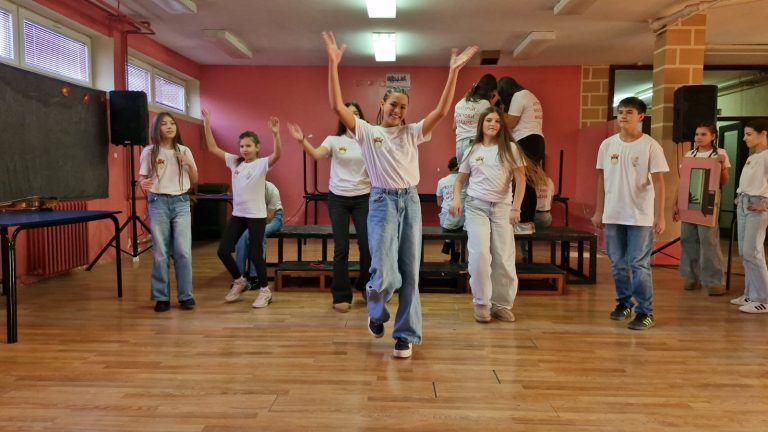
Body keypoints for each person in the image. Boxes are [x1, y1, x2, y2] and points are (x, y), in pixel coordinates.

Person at [323, 31, 478, 358]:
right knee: (385, 273)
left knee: (409, 273)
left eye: (403, 106)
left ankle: (405, 335)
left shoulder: (412, 133)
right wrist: (333, 64)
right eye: (393, 104)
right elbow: (336, 105)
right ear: (382, 104)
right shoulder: (367, 132)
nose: (398, 110)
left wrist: (453, 72)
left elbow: (441, 111)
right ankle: (376, 313)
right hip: (381, 202)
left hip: (410, 201)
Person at [591, 96, 668, 330]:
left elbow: (659, 183)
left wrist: (660, 215)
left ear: (641, 116)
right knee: (617, 264)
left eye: (629, 112)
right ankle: (624, 303)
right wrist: (599, 211)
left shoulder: (650, 146)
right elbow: (601, 179)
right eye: (621, 112)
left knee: (638, 264)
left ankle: (645, 312)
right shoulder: (607, 145)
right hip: (613, 214)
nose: (623, 116)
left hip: (640, 216)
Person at [286, 104, 372, 313]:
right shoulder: (333, 140)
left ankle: (365, 285)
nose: (352, 116)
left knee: (368, 245)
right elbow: (316, 154)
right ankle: (341, 295)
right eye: (348, 113)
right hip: (338, 199)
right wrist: (302, 140)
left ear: (361, 117)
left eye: (356, 113)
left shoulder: (368, 140)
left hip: (363, 198)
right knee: (341, 248)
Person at [449, 107, 526, 323]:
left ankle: (501, 304)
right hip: (476, 207)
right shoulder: (472, 150)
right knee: (480, 255)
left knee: (503, 257)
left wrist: (516, 208)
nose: (493, 124)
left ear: (501, 126)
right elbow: (459, 181)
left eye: (497, 121)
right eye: (489, 120)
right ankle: (482, 303)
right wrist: (456, 199)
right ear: (481, 124)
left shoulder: (510, 148)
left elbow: (521, 180)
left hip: (503, 208)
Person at [202, 109, 282, 308]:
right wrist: (207, 124)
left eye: (248, 146)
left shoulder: (261, 164)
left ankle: (265, 291)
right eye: (242, 146)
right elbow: (212, 147)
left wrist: (275, 134)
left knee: (255, 253)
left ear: (257, 147)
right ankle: (239, 281)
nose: (244, 149)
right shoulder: (234, 161)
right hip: (239, 215)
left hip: (256, 216)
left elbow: (277, 155)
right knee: (223, 251)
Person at [139, 112, 199, 312]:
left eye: (172, 123)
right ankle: (161, 297)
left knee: (183, 251)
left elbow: (195, 179)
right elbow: (142, 179)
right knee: (161, 252)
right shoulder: (149, 152)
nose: (169, 126)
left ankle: (186, 296)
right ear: (157, 128)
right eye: (164, 124)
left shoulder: (184, 150)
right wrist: (143, 183)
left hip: (181, 202)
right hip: (158, 202)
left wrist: (188, 164)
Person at [672, 124, 730, 296]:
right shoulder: (690, 154)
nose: (698, 137)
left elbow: (724, 181)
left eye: (703, 134)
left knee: (709, 241)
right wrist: (675, 203)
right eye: (697, 134)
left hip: (708, 203)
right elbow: (683, 181)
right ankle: (692, 277)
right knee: (688, 239)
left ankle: (714, 281)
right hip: (689, 201)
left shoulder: (720, 153)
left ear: (713, 136)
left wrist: (722, 166)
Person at [731, 118, 768, 313]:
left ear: (763, 134)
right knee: (745, 252)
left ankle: (763, 299)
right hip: (745, 203)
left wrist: (765, 205)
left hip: (757, 206)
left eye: (749, 134)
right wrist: (740, 196)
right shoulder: (753, 156)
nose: (745, 138)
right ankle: (750, 294)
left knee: (753, 252)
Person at [498, 77, 545, 224]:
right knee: (529, 183)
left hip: (526, 141)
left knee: (520, 182)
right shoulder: (530, 95)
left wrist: (499, 111)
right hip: (537, 141)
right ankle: (528, 221)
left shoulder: (518, 97)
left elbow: (510, 124)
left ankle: (522, 221)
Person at [234, 181, 284, 289]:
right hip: (254, 217)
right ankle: (239, 277)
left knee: (258, 234)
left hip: (274, 218)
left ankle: (255, 276)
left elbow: (269, 218)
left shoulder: (272, 190)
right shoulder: (247, 190)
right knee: (242, 237)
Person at [454, 74, 498, 162]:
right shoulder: (485, 103)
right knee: (478, 170)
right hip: (473, 143)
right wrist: (494, 101)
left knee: (463, 170)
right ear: (490, 92)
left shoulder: (460, 103)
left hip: (459, 145)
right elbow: (490, 121)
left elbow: (454, 126)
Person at [436, 157, 463, 263]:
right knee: (458, 236)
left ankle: (447, 241)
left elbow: (439, 203)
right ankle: (455, 259)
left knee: (448, 224)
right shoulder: (466, 181)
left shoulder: (442, 181)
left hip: (446, 216)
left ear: (449, 168)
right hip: (462, 216)